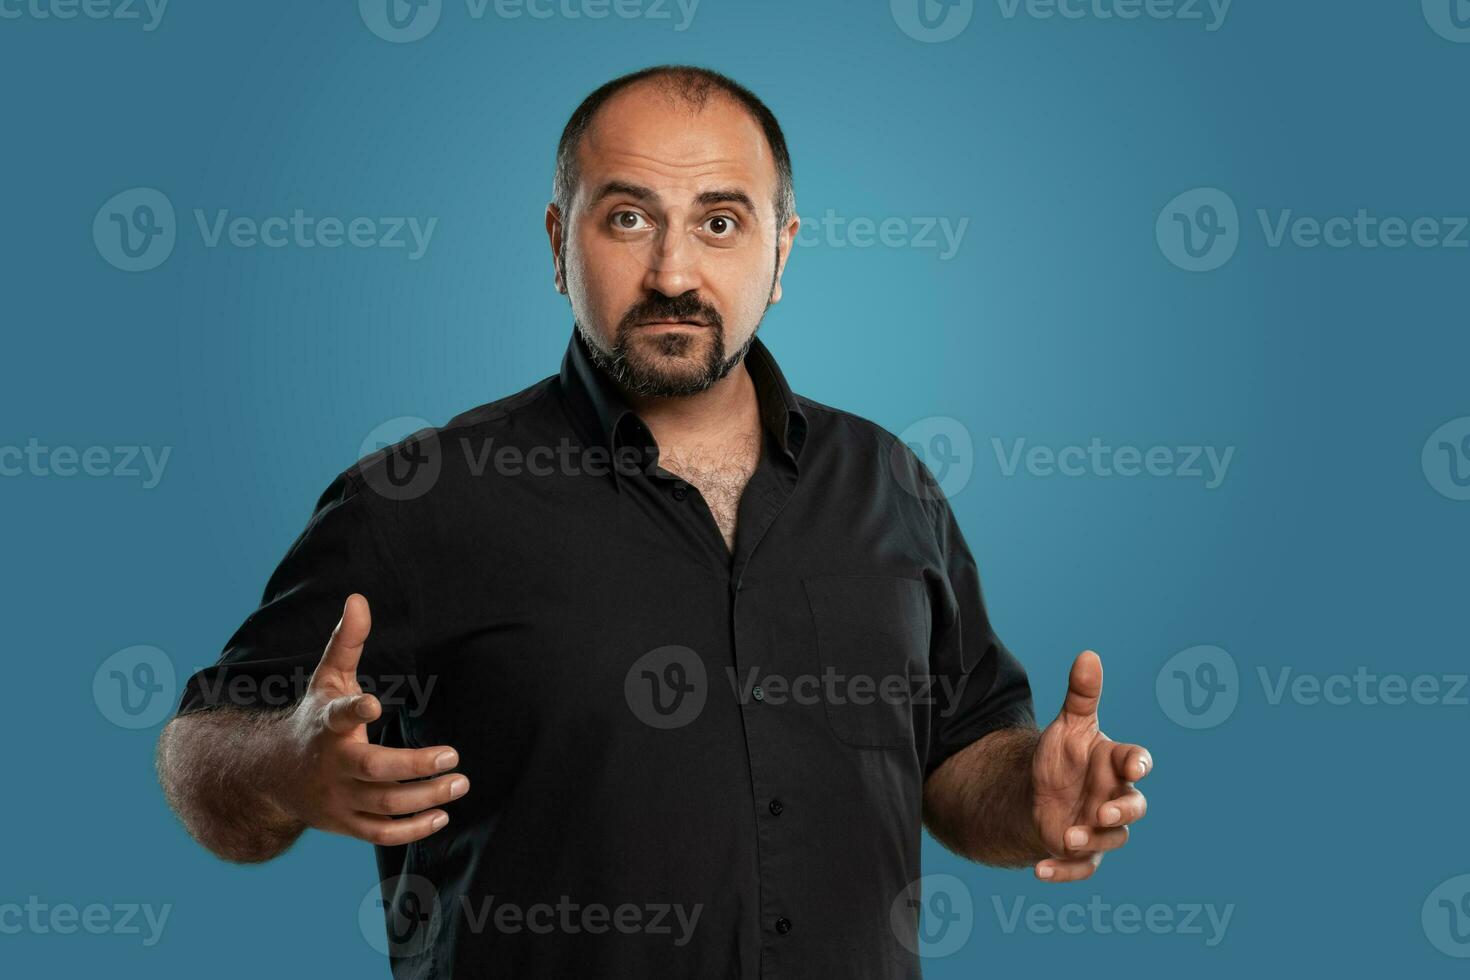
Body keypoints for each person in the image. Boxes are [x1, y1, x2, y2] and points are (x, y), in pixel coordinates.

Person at [155, 64, 1153, 979]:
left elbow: (955, 759)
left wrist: (1031, 796)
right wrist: (286, 764)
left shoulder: (889, 483)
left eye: (721, 222)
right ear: (558, 241)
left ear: (782, 248)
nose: (675, 272)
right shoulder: (419, 496)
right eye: (629, 219)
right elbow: (197, 753)